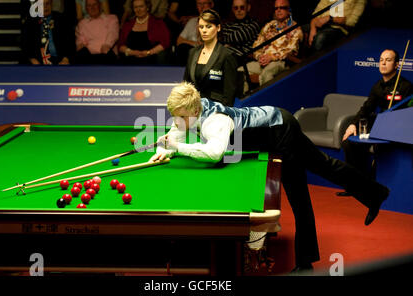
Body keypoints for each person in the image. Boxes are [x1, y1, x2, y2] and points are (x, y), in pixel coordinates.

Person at [150, 81, 390, 272]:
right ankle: (375, 193)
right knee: (323, 166)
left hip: (280, 131)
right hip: (275, 125)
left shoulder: (215, 122)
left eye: (180, 116)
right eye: (175, 116)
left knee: (301, 191)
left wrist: (178, 148)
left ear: (193, 109)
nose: (177, 121)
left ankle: (306, 263)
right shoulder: (192, 108)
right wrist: (164, 149)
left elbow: (214, 154)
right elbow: (176, 133)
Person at [338, 49, 413, 196]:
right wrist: (353, 124)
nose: (383, 63)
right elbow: (366, 108)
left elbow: (408, 113)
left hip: (399, 127)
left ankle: (374, 187)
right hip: (380, 123)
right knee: (349, 142)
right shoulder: (377, 86)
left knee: (380, 146)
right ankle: (356, 186)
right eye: (381, 60)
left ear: (396, 64)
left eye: (388, 60)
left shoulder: (405, 86)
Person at [183, 9, 240, 107]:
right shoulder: (193, 53)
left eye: (208, 26)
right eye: (201, 27)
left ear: (218, 28)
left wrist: (222, 115)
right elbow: (186, 85)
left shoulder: (226, 55)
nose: (204, 30)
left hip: (216, 112)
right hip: (194, 110)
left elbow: (229, 93)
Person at [246, 0, 303, 86]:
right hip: (262, 61)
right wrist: (260, 56)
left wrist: (272, 57)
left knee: (267, 73)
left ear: (289, 10)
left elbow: (292, 51)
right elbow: (257, 44)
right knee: (242, 71)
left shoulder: (295, 28)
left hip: (280, 62)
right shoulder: (269, 25)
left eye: (282, 8)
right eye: (276, 8)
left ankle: (265, 98)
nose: (278, 10)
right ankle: (246, 99)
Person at [118, 0, 170, 64]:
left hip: (151, 58)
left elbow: (165, 43)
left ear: (147, 7)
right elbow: (120, 46)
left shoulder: (158, 23)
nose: (138, 9)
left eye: (141, 6)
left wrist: (148, 52)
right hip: (131, 58)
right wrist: (132, 52)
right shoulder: (127, 25)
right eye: (135, 7)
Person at [21, 0, 74, 65]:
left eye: (47, 3)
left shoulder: (61, 19)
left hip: (59, 60)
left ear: (51, 4)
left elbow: (70, 42)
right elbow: (25, 44)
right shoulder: (30, 21)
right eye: (42, 4)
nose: (45, 7)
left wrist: (66, 59)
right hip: (37, 61)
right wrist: (32, 59)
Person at [74, 0, 119, 64]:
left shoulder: (111, 18)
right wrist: (81, 46)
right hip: (89, 57)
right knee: (80, 54)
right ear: (86, 9)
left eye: (95, 4)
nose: (92, 7)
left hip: (106, 54)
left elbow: (112, 34)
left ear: (100, 5)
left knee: (108, 54)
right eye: (89, 6)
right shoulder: (82, 23)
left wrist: (107, 45)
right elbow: (80, 41)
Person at [175, 0, 215, 65]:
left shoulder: (216, 22)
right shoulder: (192, 21)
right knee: (182, 48)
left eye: (204, 3)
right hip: (191, 53)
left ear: (211, 4)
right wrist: (194, 43)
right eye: (199, 4)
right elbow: (179, 41)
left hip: (208, 54)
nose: (202, 7)